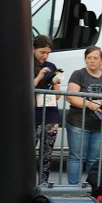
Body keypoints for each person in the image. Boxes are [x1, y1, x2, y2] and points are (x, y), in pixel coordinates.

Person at [64, 45, 102, 186]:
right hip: (78, 123)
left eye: (95, 58)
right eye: (89, 58)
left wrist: (99, 102)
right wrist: (89, 105)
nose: (92, 61)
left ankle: (91, 189)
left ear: (101, 61)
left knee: (95, 160)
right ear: (85, 60)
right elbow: (71, 97)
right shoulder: (78, 74)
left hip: (100, 126)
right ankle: (74, 189)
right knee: (76, 158)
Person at [32, 35, 62, 185]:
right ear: (33, 49)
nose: (45, 56)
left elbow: (58, 95)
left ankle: (43, 184)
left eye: (48, 53)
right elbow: (27, 88)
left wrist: (56, 81)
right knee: (29, 153)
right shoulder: (26, 64)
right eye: (42, 52)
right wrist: (39, 76)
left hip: (50, 115)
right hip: (33, 115)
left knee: (47, 154)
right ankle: (27, 184)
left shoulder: (52, 66)